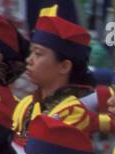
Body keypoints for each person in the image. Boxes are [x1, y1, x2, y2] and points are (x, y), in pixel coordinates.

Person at [12, 7, 94, 136]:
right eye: (30, 52)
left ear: (64, 66)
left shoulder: (73, 112)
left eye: (38, 54)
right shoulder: (26, 104)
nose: (29, 60)